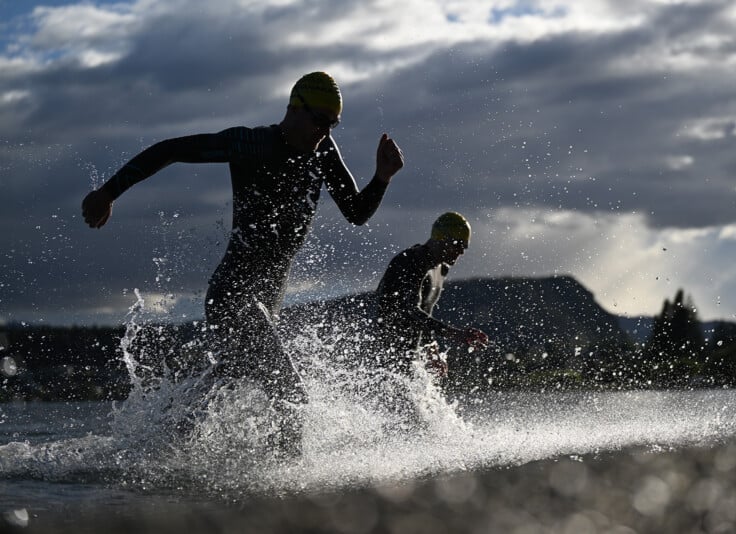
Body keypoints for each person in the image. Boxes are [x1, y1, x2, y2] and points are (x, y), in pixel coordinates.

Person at [81, 72, 404, 454]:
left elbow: (355, 211)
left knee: (226, 386)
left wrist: (382, 178)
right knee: (292, 398)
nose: (324, 131)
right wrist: (108, 192)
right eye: (318, 120)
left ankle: (149, 448)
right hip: (233, 295)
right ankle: (285, 494)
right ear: (294, 109)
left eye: (332, 124)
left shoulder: (323, 150)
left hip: (268, 301)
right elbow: (170, 150)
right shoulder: (251, 143)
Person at [372, 212, 488, 424]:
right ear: (439, 238)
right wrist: (455, 333)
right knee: (405, 422)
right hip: (386, 358)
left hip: (412, 358)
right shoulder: (409, 262)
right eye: (456, 244)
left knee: (421, 420)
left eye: (465, 246)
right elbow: (407, 311)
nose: (460, 251)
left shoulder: (441, 269)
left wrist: (431, 349)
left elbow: (425, 311)